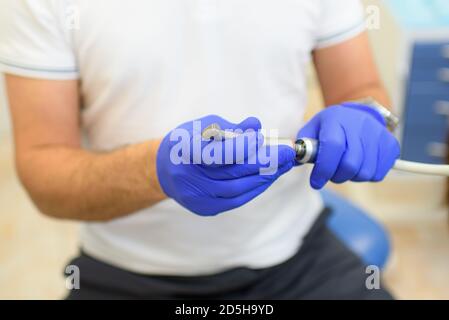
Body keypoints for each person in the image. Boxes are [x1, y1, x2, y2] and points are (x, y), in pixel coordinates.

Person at [0, 0, 399, 299]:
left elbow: (360, 90)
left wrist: (367, 116)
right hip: (125, 274)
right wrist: (155, 171)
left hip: (297, 260)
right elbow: (44, 166)